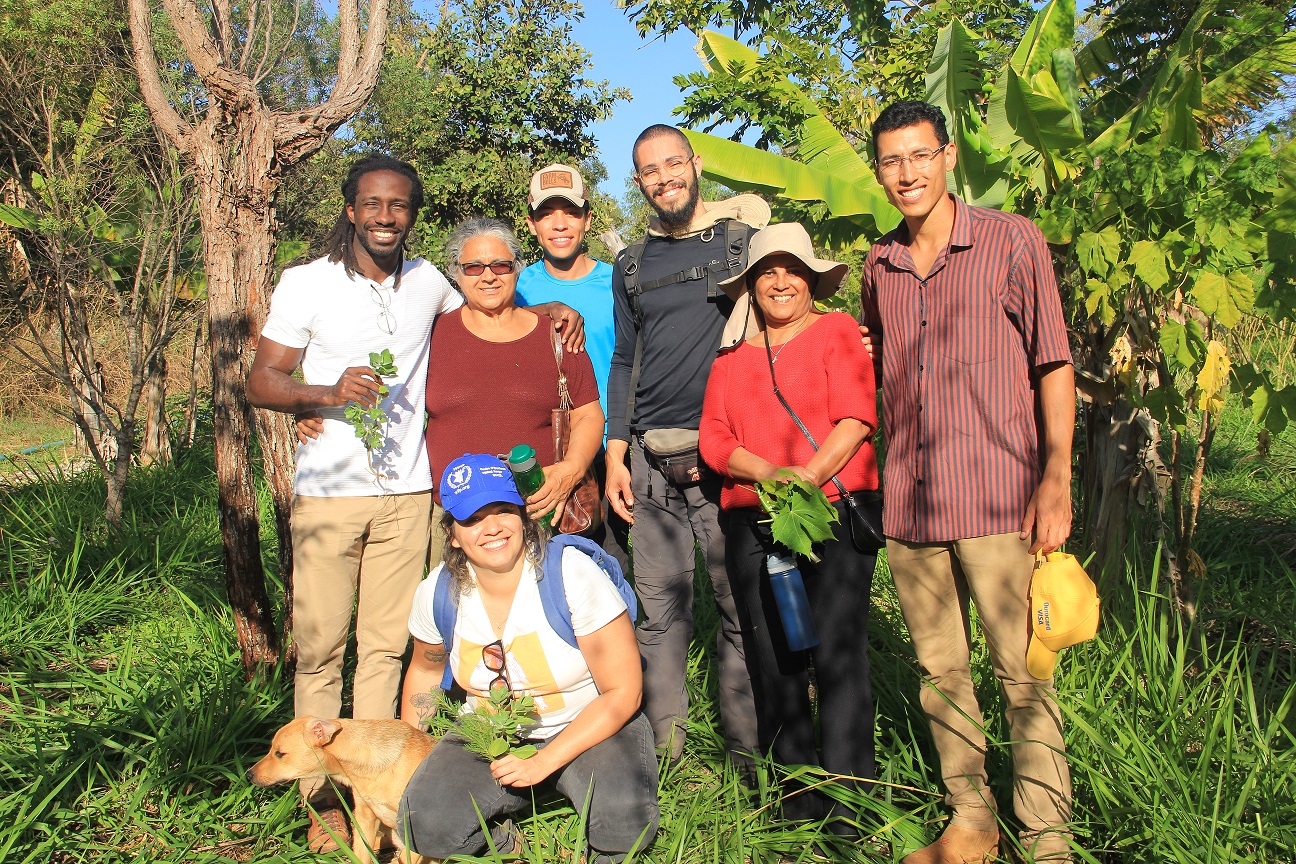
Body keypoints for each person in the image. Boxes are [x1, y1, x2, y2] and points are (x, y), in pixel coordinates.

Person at [859, 101, 1077, 863]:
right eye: (891, 160)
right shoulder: (878, 263)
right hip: (912, 507)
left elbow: (1052, 359)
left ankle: (1048, 840)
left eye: (920, 155)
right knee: (941, 674)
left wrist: (1056, 475)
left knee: (1023, 676)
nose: (907, 173)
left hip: (996, 497)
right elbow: (880, 363)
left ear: (948, 156)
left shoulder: (1010, 240)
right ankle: (973, 820)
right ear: (879, 171)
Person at [246, 154, 460, 852]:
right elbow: (262, 380)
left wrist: (548, 309)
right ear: (350, 209)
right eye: (372, 203)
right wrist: (326, 394)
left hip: (408, 493)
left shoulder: (430, 282)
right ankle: (319, 798)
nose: (385, 216)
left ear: (412, 214)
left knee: (384, 651)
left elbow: (488, 317)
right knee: (320, 650)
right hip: (330, 495)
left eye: (399, 205)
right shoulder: (307, 283)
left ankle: (370, 796)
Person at [699, 222, 880, 831]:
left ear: (811, 280)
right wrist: (770, 472)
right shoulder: (728, 363)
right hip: (756, 520)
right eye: (767, 272)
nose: (780, 282)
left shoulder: (836, 331)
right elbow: (715, 440)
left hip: (830, 511)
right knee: (776, 659)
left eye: (792, 270)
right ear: (751, 286)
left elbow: (856, 416)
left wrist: (807, 478)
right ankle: (795, 804)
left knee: (838, 656)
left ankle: (852, 806)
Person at [398, 454, 659, 863]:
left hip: (589, 724)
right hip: (490, 733)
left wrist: (542, 763)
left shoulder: (570, 573)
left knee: (624, 824)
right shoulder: (437, 592)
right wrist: (408, 758)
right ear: (452, 534)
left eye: (503, 510)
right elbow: (425, 670)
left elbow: (623, 691)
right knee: (420, 823)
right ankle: (503, 844)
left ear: (523, 515)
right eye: (472, 519)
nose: (492, 528)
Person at [604, 124, 767, 768]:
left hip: (724, 460)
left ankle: (744, 756)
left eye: (674, 163)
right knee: (661, 611)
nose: (665, 177)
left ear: (695, 164)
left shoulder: (739, 246)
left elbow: (781, 325)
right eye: (650, 170)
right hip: (648, 459)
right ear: (639, 180)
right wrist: (617, 451)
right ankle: (662, 756)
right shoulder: (633, 264)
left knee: (736, 605)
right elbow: (622, 359)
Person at [425, 217, 604, 542]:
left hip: (542, 513)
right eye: (474, 267)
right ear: (456, 272)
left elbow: (588, 414)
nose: (489, 276)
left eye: (501, 265)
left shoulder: (558, 335)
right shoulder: (432, 335)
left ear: (517, 268)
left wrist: (570, 471)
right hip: (455, 521)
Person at [515, 163, 631, 575]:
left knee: (614, 564)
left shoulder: (617, 281)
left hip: (616, 445)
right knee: (553, 565)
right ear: (531, 223)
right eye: (547, 213)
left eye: (570, 212)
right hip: (555, 452)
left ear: (587, 219)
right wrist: (541, 310)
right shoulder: (518, 287)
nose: (559, 224)